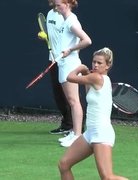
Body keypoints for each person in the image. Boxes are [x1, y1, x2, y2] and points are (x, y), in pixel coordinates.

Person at [58, 47, 129, 180]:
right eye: (94, 62)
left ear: (108, 66)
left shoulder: (96, 78)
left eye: (99, 63)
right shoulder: (98, 79)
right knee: (64, 164)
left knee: (107, 177)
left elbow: (70, 77)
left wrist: (79, 68)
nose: (95, 65)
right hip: (90, 133)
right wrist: (85, 72)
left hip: (101, 133)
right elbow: (88, 93)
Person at [54, 0, 92, 147]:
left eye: (58, 5)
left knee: (74, 101)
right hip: (64, 64)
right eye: (55, 5)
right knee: (71, 101)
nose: (56, 8)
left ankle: (77, 136)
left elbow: (87, 40)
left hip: (70, 65)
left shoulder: (71, 21)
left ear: (67, 4)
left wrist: (70, 50)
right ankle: (74, 132)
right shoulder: (66, 21)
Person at [44, 0, 73, 135]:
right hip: (53, 60)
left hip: (66, 61)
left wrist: (66, 54)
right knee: (58, 95)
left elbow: (73, 38)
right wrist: (44, 37)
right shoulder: (49, 14)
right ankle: (67, 124)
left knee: (71, 96)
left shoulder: (67, 17)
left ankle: (78, 127)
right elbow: (53, 36)